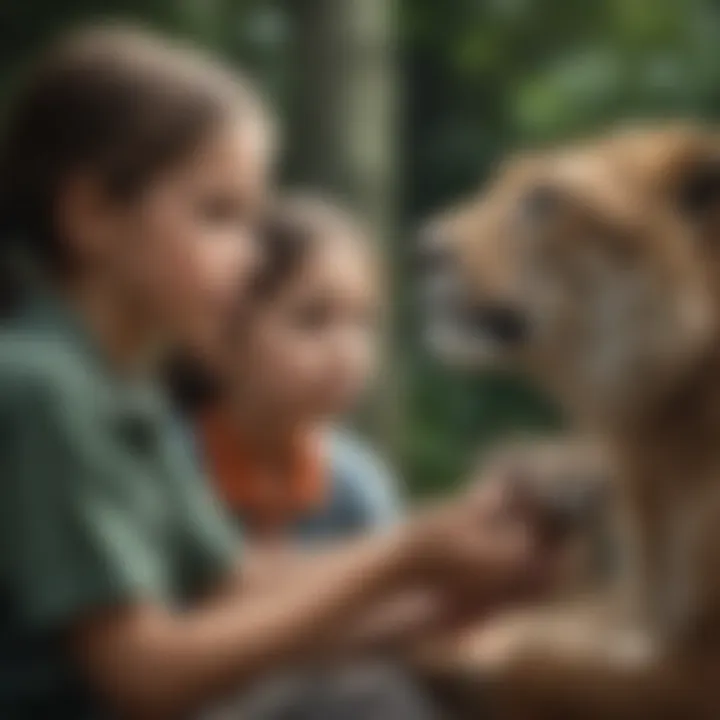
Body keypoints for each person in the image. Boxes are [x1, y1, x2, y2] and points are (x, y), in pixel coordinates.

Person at [0, 24, 555, 720]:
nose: (251, 254)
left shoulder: (122, 390)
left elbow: (237, 595)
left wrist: (452, 596)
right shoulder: (42, 387)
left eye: (254, 218)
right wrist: (408, 555)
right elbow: (142, 673)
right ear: (91, 215)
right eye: (218, 214)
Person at [194, 196, 401, 544]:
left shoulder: (355, 487)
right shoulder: (173, 469)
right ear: (227, 331)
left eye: (364, 322)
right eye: (312, 319)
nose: (347, 352)